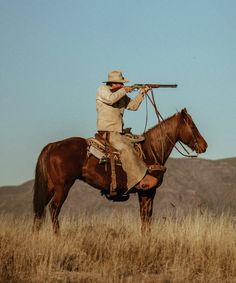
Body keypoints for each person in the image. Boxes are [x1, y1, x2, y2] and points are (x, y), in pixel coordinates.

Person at [96, 70, 158, 191]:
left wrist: (142, 93)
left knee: (138, 144)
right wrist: (124, 90)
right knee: (127, 149)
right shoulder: (102, 89)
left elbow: (133, 106)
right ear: (113, 83)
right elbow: (110, 99)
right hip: (108, 132)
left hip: (118, 132)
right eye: (120, 84)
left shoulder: (121, 94)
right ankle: (135, 180)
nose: (122, 86)